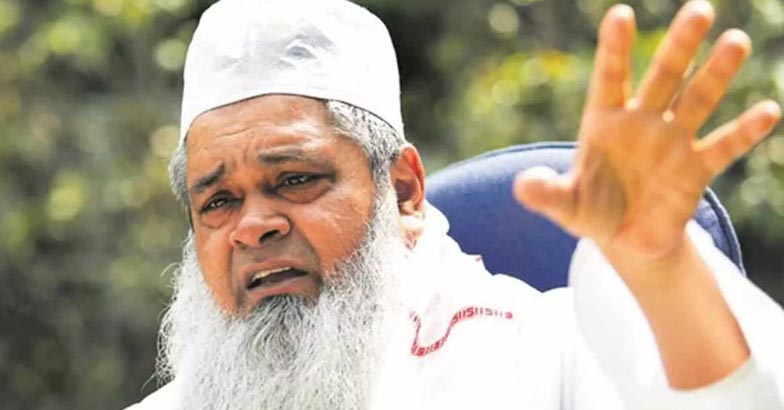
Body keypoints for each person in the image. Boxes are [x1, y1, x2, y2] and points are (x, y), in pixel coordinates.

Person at [124, 0, 784, 408]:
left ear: (403, 191)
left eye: (294, 180)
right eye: (218, 201)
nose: (253, 226)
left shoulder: (544, 352)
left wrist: (659, 269)